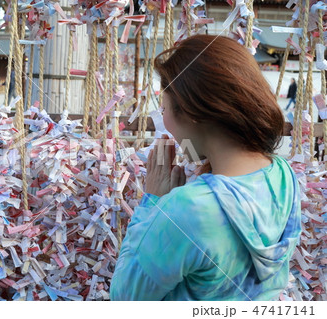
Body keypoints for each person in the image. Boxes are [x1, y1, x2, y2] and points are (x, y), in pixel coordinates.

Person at [110, 35, 301, 301]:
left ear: (192, 113)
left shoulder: (188, 209)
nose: (163, 120)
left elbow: (126, 297)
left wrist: (153, 203)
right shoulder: (283, 175)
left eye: (163, 108)